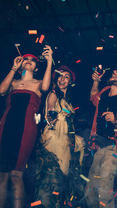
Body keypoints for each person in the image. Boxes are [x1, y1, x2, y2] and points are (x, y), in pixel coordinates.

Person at [0, 46, 53, 208]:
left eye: (33, 61)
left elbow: (46, 88)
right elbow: (0, 91)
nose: (29, 61)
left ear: (36, 67)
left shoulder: (38, 83)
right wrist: (14, 67)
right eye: (26, 59)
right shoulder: (13, 82)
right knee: (1, 176)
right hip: (5, 128)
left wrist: (49, 61)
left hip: (26, 129)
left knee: (16, 175)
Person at [84, 65, 117, 208]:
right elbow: (93, 97)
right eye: (115, 70)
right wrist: (96, 81)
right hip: (97, 146)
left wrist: (115, 121)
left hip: (113, 148)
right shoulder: (105, 91)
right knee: (90, 190)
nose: (114, 71)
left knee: (105, 188)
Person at [35, 65, 85, 207]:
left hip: (65, 141)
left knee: (62, 178)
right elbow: (50, 108)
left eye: (66, 77)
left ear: (70, 82)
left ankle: (57, 204)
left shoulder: (68, 101)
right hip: (54, 137)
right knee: (51, 176)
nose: (63, 79)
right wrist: (51, 115)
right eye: (61, 76)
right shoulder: (53, 94)